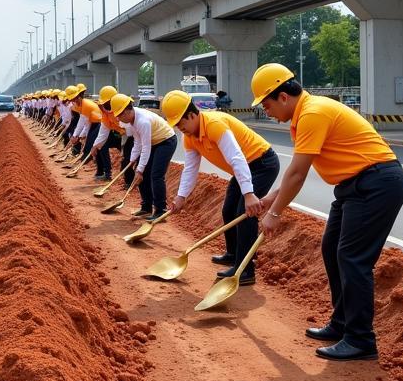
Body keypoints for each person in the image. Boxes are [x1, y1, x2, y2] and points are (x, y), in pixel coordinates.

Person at [251, 63, 403, 362]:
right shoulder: (306, 113)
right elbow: (294, 172)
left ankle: (361, 340)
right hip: (354, 186)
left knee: (353, 259)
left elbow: (298, 173)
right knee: (332, 248)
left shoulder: (313, 113)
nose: (266, 111)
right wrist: (271, 199)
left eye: (267, 104)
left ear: (283, 96)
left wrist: (275, 214)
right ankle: (342, 323)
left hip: (376, 184)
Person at [161, 90, 280, 285]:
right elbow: (190, 169)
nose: (181, 129)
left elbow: (236, 158)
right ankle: (234, 254)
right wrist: (180, 198)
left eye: (182, 125)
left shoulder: (215, 125)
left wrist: (249, 194)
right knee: (228, 210)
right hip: (242, 168)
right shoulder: (189, 137)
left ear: (192, 115)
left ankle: (246, 270)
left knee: (245, 212)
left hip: (261, 163)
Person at [110, 93, 178, 221]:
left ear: (126, 112)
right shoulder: (132, 122)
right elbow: (137, 143)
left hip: (166, 141)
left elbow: (145, 147)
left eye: (119, 115)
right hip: (153, 143)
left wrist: (140, 169)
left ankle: (160, 210)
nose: (118, 119)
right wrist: (132, 161)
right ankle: (146, 207)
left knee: (156, 175)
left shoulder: (142, 121)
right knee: (141, 173)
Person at [90, 84, 124, 180]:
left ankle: (129, 181)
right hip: (117, 135)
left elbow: (130, 131)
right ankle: (107, 173)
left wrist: (123, 147)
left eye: (107, 103)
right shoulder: (105, 114)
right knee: (101, 145)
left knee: (128, 157)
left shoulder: (122, 110)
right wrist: (95, 146)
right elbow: (103, 133)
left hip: (129, 136)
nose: (105, 106)